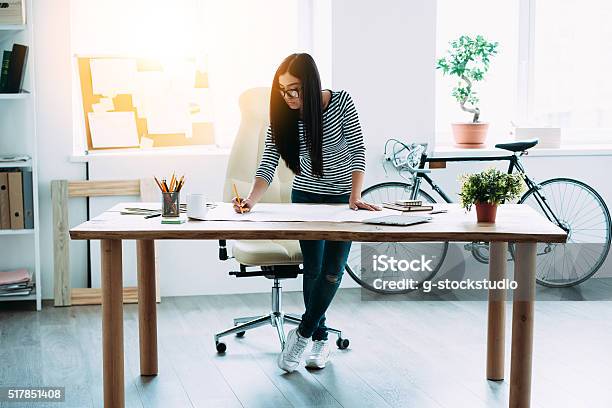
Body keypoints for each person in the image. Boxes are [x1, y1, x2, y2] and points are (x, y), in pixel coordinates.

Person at [232, 53, 381, 372]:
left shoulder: (340, 103)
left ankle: (301, 334)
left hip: (342, 200)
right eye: (284, 91)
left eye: (295, 89)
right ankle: (320, 338)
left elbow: (357, 150)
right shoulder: (283, 114)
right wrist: (250, 200)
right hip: (305, 199)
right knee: (313, 270)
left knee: (333, 270)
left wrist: (355, 195)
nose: (289, 97)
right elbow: (268, 160)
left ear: (312, 85)